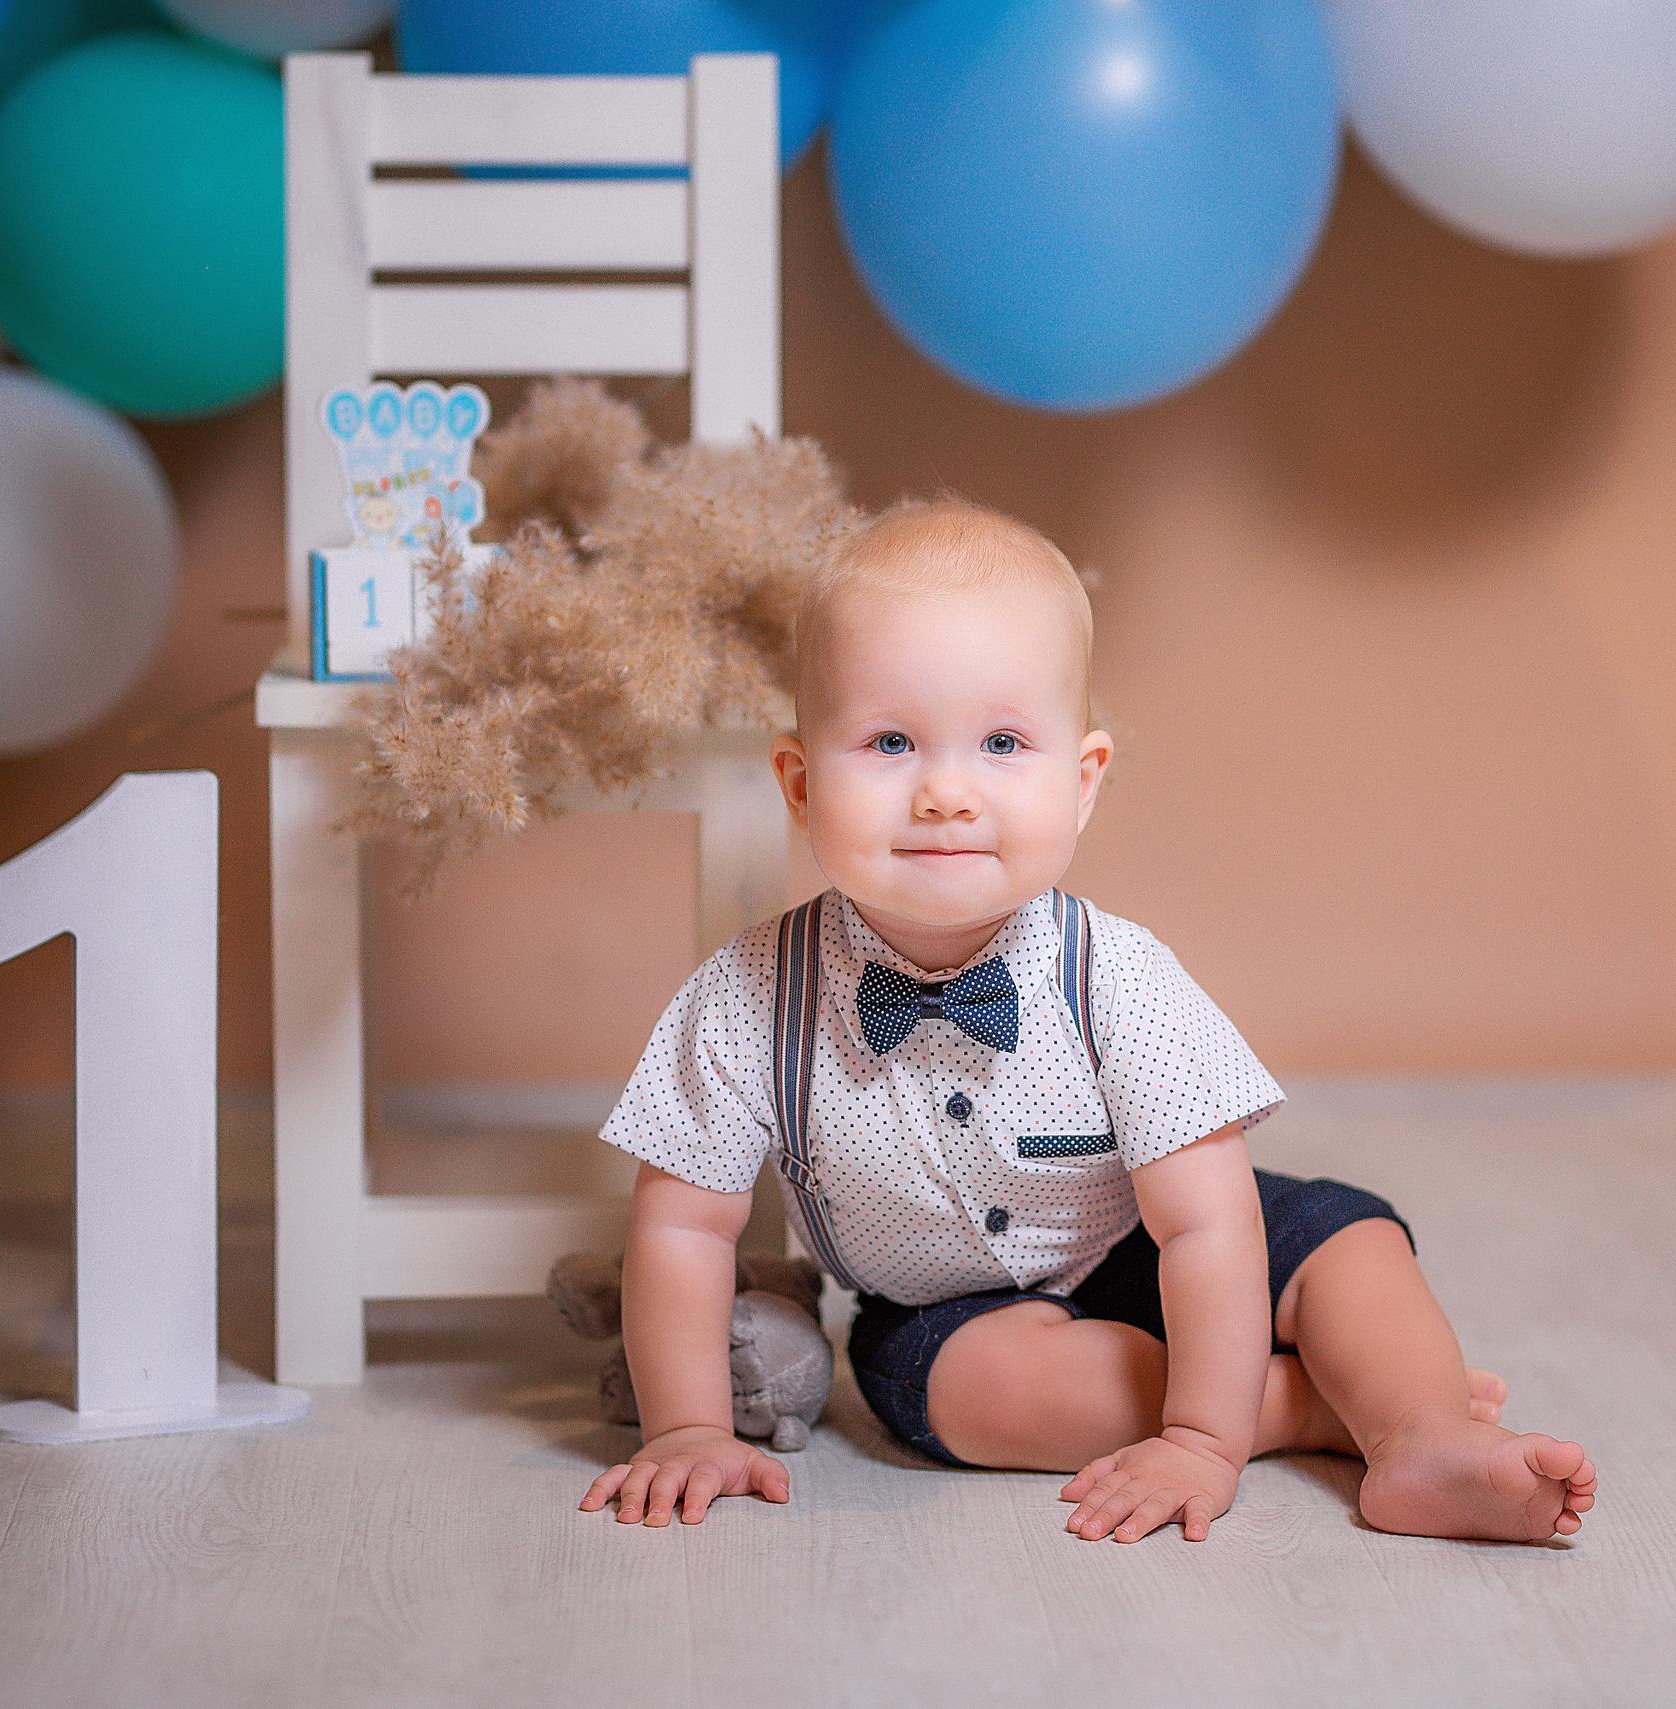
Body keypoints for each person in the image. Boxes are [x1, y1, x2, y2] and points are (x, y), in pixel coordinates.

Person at [581, 498, 1596, 1544]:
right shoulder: (748, 993)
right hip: (947, 1308)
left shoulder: (1114, 973)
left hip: (1148, 1239)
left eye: (1002, 742)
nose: (945, 791)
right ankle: (1320, 1406)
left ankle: (1422, 1433)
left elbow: (1205, 1222)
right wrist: (687, 1426)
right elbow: (681, 1225)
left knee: (1346, 1244)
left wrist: (1200, 1438)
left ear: (1082, 781)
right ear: (798, 782)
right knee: (971, 1398)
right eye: (889, 740)